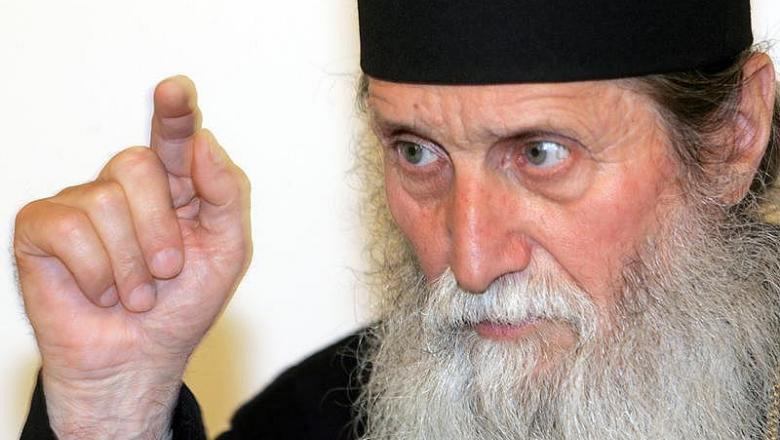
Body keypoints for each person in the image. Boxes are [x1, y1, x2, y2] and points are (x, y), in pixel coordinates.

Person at [15, 1, 780, 439]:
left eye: (541, 153)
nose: (469, 259)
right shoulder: (318, 421)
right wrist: (111, 409)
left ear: (734, 136)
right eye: (418, 153)